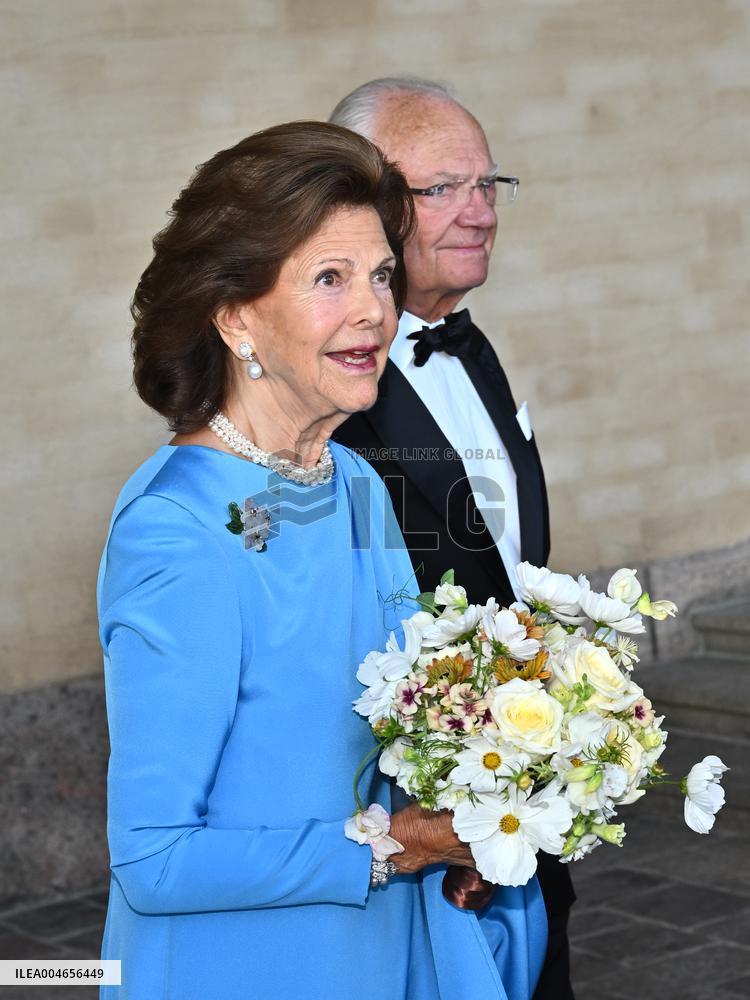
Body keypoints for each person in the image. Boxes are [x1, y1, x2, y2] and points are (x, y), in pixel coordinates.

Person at [97, 121, 547, 1000]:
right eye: (328, 279)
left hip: (394, 943)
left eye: (380, 274)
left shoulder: (351, 481)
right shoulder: (177, 530)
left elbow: (396, 719)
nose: (375, 310)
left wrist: (475, 811)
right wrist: (400, 843)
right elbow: (153, 859)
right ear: (234, 317)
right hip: (255, 965)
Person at [330, 80, 576, 1000]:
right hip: (413, 827)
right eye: (445, 188)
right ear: (362, 203)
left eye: (490, 183)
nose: (481, 212)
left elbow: (510, 565)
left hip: (525, 803)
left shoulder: (470, 344)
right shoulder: (326, 395)